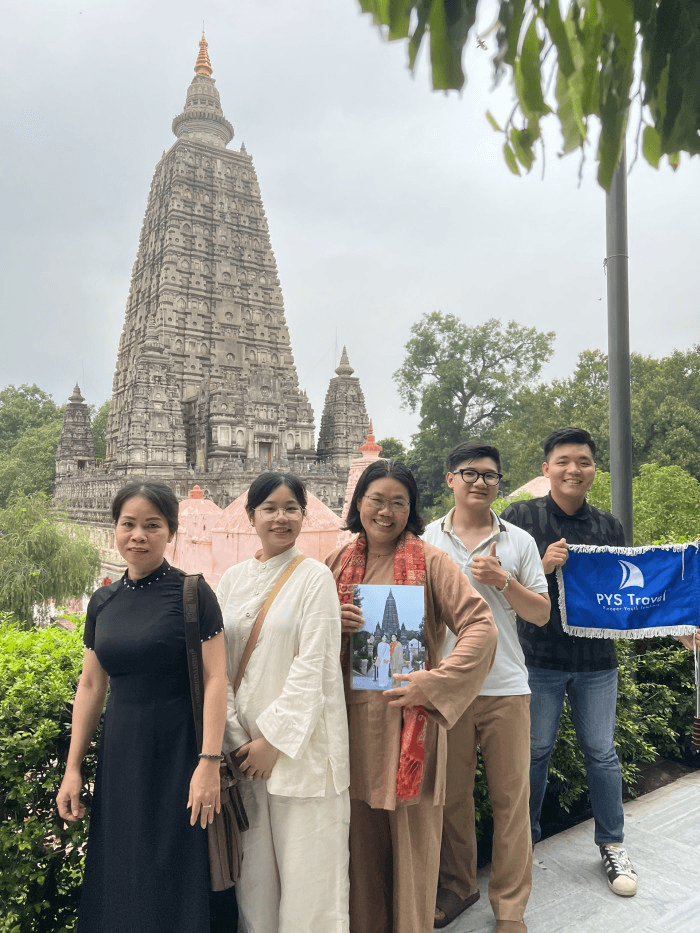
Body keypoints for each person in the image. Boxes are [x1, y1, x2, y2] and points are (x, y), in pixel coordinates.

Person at [324, 459, 497, 933]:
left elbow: (479, 626)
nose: (386, 511)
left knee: (413, 859)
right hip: (353, 732)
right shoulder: (336, 563)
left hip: (411, 732)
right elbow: (304, 641)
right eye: (376, 500)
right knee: (360, 859)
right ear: (358, 503)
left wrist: (435, 682)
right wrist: (329, 626)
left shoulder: (431, 561)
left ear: (412, 510)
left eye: (399, 502)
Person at [56, 481, 228, 933]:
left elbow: (216, 680)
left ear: (170, 531)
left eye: (152, 525)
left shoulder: (192, 594)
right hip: (122, 752)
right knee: (121, 866)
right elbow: (92, 684)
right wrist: (73, 768)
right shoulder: (103, 601)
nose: (139, 535)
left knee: (173, 867)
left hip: (179, 753)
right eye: (128, 524)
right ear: (115, 529)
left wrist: (209, 762)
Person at [501, 427, 638, 897]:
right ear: (546, 469)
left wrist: (678, 628)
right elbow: (496, 578)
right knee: (534, 752)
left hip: (598, 661)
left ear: (594, 470)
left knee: (601, 752)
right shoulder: (519, 518)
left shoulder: (608, 527)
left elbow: (631, 594)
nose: (573, 470)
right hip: (537, 658)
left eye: (583, 461)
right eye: (563, 461)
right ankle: (525, 843)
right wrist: (541, 565)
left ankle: (613, 844)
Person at [424, 441, 550, 933]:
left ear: (499, 483)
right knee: (452, 799)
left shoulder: (517, 541)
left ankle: (510, 908)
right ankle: (458, 887)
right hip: (448, 689)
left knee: (510, 801)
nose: (480, 481)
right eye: (469, 472)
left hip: (505, 687)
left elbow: (539, 613)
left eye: (490, 475)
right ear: (449, 479)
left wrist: (503, 582)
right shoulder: (426, 542)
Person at [216, 471, 350, 933]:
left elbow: (315, 666)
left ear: (303, 516)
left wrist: (273, 739)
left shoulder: (314, 577)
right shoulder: (231, 580)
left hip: (302, 750)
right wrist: (238, 738)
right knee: (254, 882)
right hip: (245, 756)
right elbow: (218, 667)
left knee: (311, 879)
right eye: (269, 508)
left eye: (291, 508)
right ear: (251, 515)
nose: (281, 517)